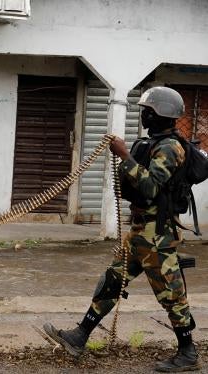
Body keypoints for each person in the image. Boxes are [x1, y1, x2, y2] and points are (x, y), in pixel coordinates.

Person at [43, 86, 201, 372]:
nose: (143, 115)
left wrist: (125, 157)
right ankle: (80, 336)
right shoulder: (155, 142)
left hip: (157, 236)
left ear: (159, 114)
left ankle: (188, 353)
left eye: (147, 111)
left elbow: (152, 187)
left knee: (171, 295)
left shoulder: (170, 148)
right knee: (113, 281)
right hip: (141, 233)